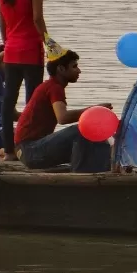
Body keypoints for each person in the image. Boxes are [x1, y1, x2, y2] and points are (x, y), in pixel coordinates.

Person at [12, 37, 114, 172]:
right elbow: (63, 117)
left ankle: (102, 169)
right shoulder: (54, 87)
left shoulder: (52, 86)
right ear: (61, 69)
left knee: (93, 138)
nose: (79, 71)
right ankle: (82, 176)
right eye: (74, 66)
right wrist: (94, 110)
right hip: (30, 150)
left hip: (30, 149)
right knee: (81, 130)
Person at [0, 0, 49, 158]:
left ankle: (8, 149)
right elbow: (37, 18)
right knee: (32, 101)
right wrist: (48, 42)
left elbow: (3, 25)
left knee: (8, 100)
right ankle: (29, 148)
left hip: (11, 52)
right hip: (31, 51)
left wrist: (8, 44)